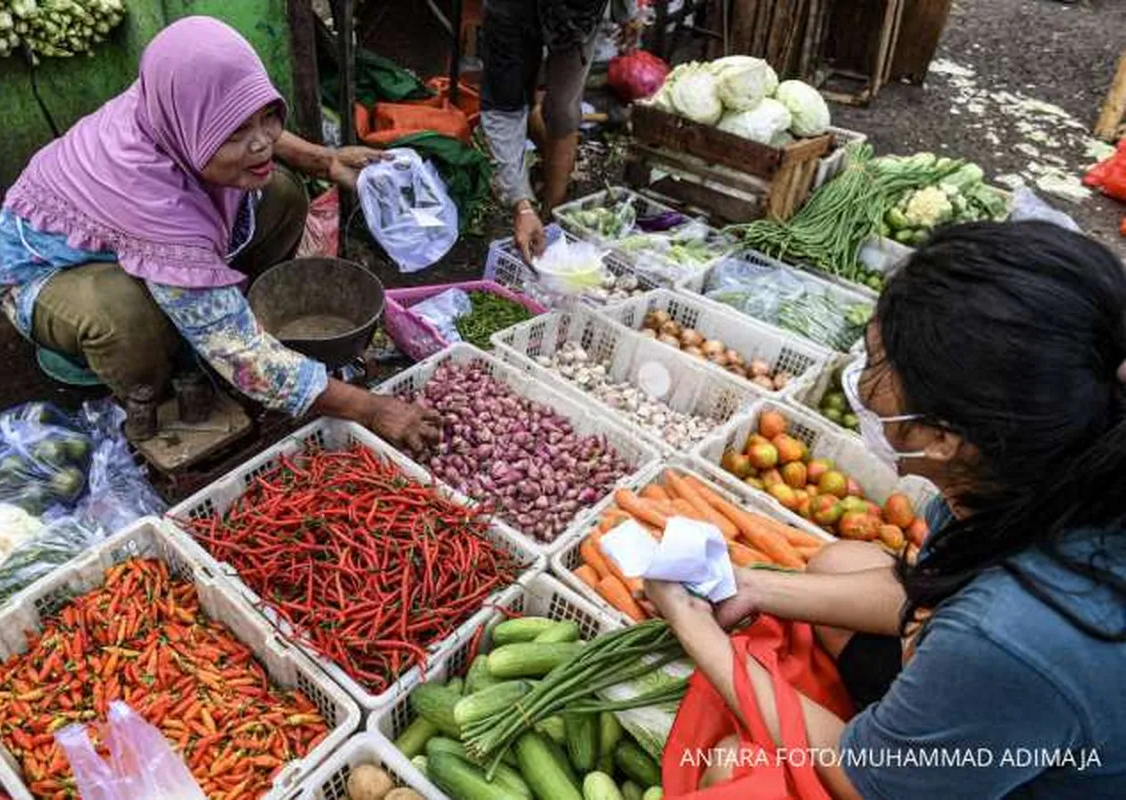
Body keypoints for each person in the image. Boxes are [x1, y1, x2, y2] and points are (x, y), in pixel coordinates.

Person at [644, 221, 1126, 798]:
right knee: (838, 563)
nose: (864, 378)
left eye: (877, 361)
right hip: (1011, 701)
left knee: (733, 768)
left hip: (993, 754)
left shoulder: (1007, 634)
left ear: (944, 437)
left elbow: (861, 781)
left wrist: (697, 630)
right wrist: (755, 587)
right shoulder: (1041, 469)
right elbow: (927, 588)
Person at [0, 17, 440, 451]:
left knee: (279, 192)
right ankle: (150, 391)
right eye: (236, 132)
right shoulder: (154, 197)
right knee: (127, 315)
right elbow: (242, 356)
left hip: (133, 237)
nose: (261, 141)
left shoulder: (173, 101)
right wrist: (373, 409)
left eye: (268, 115)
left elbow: (244, 122)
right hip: (46, 271)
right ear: (196, 125)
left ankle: (213, 314)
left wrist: (324, 160)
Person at [480, 0, 609, 262]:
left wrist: (629, 13)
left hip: (581, 18)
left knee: (562, 110)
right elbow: (503, 111)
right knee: (514, 98)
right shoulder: (506, 11)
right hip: (516, 13)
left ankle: (552, 219)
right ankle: (534, 212)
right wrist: (521, 205)